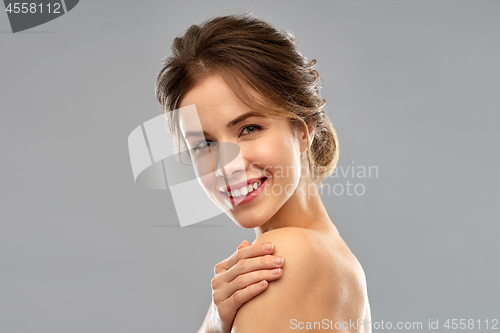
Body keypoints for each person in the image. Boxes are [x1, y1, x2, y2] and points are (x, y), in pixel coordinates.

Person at [155, 13, 371, 333]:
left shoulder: (288, 257)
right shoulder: (327, 256)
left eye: (249, 128)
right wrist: (216, 321)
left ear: (302, 129)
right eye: (203, 145)